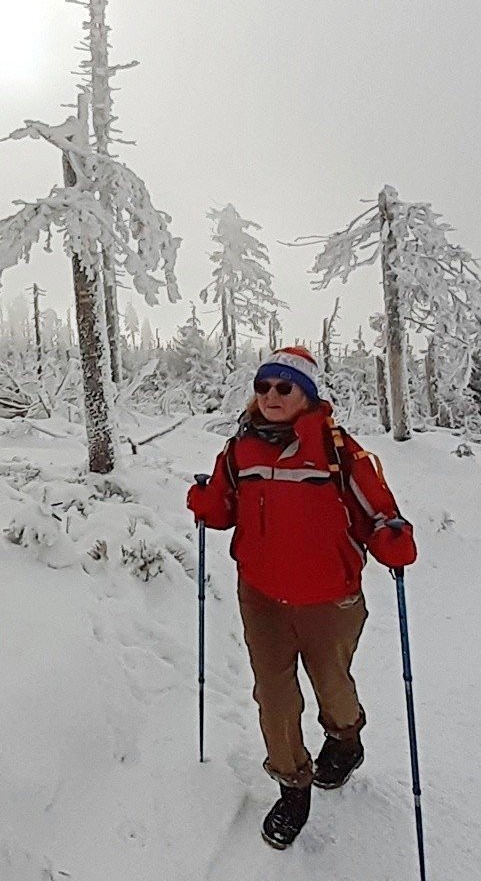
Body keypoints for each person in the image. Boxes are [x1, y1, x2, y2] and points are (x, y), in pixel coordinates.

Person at [185, 346, 417, 850]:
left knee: (331, 683)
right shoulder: (240, 449)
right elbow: (225, 508)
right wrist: (206, 503)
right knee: (273, 695)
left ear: (306, 394)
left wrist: (391, 538)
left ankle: (344, 738)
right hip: (262, 596)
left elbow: (378, 513)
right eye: (263, 386)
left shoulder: (337, 451)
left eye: (284, 387)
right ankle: (292, 785)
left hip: (329, 598)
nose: (271, 396)